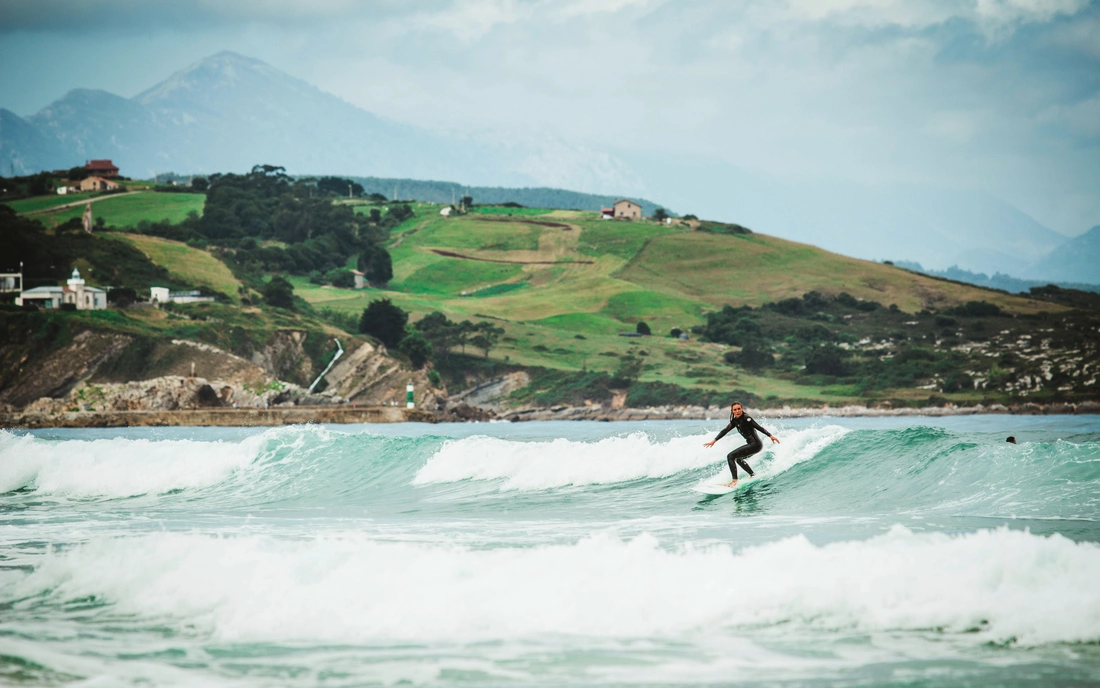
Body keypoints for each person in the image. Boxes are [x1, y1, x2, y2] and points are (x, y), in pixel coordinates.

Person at [704, 402, 780, 487]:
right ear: (732, 411)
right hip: (753, 445)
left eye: (739, 409)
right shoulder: (735, 421)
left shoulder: (747, 418)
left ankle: (734, 481)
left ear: (742, 409)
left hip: (755, 445)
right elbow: (725, 430)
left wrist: (770, 435)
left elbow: (759, 427)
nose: (737, 411)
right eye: (735, 410)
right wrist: (714, 440)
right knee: (738, 459)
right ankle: (752, 475)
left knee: (730, 456)